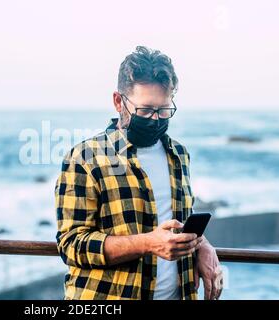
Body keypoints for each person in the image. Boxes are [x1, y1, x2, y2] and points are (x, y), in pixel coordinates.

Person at [55, 46, 223, 300]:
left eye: (164, 110)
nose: (155, 119)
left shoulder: (179, 154)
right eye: (145, 111)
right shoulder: (85, 157)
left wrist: (203, 245)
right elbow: (71, 246)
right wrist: (147, 243)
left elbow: (175, 223)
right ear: (118, 102)